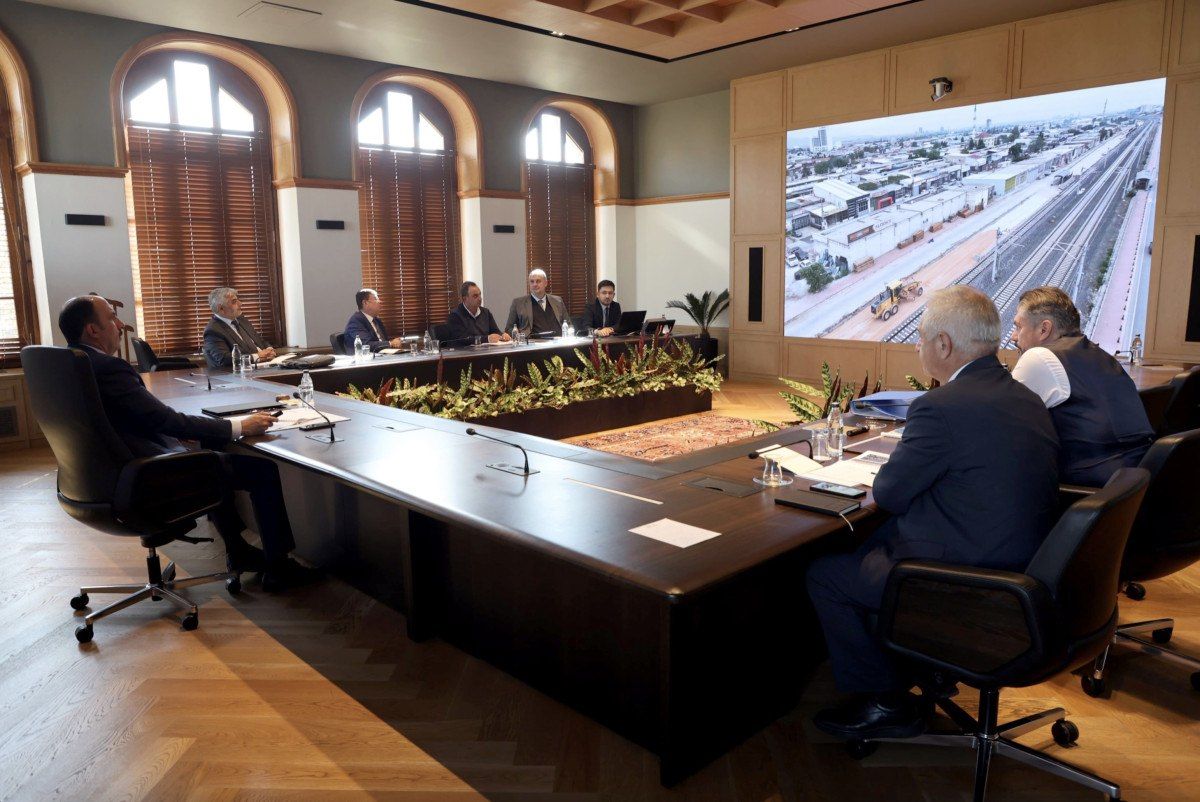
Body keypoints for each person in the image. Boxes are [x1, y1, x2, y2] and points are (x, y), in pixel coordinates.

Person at [806, 286, 1059, 740]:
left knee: (827, 576)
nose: (918, 347)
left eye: (921, 338)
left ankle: (884, 702)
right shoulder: (1026, 397)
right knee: (871, 545)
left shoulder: (941, 407)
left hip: (963, 579)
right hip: (1024, 567)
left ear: (943, 344)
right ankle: (923, 665)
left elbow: (889, 494)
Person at [61, 295, 318, 592]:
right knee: (260, 470)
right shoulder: (108, 368)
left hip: (95, 480)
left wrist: (175, 431)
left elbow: (123, 419)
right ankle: (278, 568)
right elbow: (163, 419)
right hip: (143, 479)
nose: (120, 324)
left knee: (212, 455)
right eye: (111, 317)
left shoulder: (68, 365)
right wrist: (238, 426)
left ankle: (238, 550)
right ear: (92, 330)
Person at [1010, 286, 1154, 486]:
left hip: (1086, 489)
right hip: (1131, 485)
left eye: (1018, 327)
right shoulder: (1102, 356)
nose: (1013, 337)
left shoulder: (1039, 356)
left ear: (1044, 329)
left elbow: (1000, 426)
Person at [202, 287, 276, 369]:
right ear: (221, 308)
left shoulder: (241, 320)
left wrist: (269, 349)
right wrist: (257, 356)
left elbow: (260, 341)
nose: (240, 303)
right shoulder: (213, 331)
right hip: (242, 373)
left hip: (264, 366)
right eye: (234, 302)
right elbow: (224, 359)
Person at [504, 269, 569, 336]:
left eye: (538, 281)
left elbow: (568, 324)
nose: (535, 284)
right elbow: (509, 329)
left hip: (558, 340)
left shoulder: (558, 301)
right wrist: (518, 335)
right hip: (533, 341)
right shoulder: (518, 303)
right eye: (532, 281)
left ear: (546, 283)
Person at [445, 281, 511, 344]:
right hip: (464, 351)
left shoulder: (486, 312)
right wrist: (486, 339)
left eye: (480, 294)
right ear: (464, 299)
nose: (480, 299)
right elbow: (462, 339)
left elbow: (495, 331)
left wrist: (502, 335)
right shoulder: (455, 315)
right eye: (475, 296)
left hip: (486, 350)